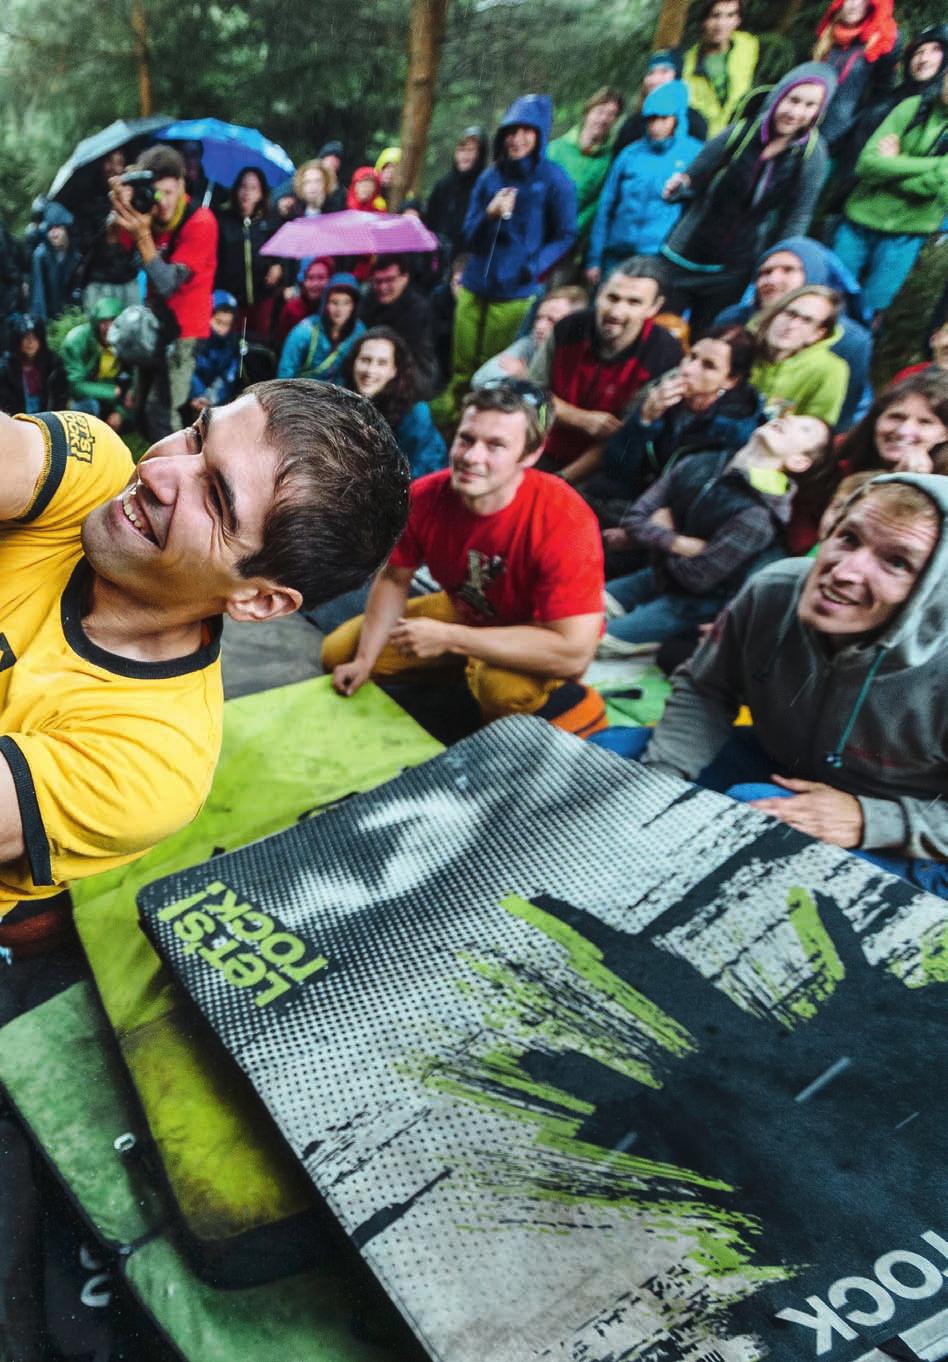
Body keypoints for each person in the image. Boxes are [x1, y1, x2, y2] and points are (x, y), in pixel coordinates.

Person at [0, 380, 410, 960]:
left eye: (216, 498)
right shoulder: (92, 475)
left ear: (259, 600)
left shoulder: (152, 761)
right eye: (196, 435)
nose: (160, 473)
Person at [596, 474, 948, 897]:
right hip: (783, 763)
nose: (845, 570)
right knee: (613, 761)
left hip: (914, 837)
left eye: (896, 563)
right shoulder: (774, 589)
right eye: (849, 538)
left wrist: (872, 819)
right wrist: (660, 783)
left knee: (755, 820)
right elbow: (708, 689)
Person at [322, 381, 607, 738]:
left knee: (499, 687)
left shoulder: (565, 519)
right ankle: (461, 664)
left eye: (496, 446)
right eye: (467, 439)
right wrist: (365, 660)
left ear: (530, 455)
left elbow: (574, 651)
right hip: (470, 610)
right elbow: (395, 579)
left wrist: (450, 638)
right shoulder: (426, 496)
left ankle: (574, 705)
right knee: (339, 654)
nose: (472, 457)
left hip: (536, 634)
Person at [598, 413, 831, 652]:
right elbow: (635, 519)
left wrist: (656, 534)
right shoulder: (702, 461)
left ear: (798, 462)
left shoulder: (760, 514)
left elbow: (697, 578)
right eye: (793, 416)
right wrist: (678, 543)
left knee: (598, 641)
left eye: (805, 429)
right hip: (655, 574)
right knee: (573, 608)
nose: (788, 418)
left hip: (691, 604)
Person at [660, 63, 837, 334]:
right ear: (778, 97)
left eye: (809, 105)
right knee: (659, 331)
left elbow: (797, 215)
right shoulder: (740, 134)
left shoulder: (812, 155)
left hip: (735, 267)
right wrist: (678, 187)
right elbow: (694, 179)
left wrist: (781, 263)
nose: (796, 112)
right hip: (684, 254)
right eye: (792, 100)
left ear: (819, 112)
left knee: (709, 338)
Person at [449, 94, 577, 415]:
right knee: (462, 359)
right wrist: (490, 213)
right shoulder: (490, 177)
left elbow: (566, 235)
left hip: (516, 292)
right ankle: (453, 417)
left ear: (539, 135)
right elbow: (467, 235)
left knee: (495, 366)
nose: (516, 139)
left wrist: (534, 266)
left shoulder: (554, 180)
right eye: (511, 131)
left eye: (526, 131)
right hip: (476, 283)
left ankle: (483, 415)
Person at [528, 256, 682, 482]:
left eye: (633, 302)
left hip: (603, 469)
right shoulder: (568, 328)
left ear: (654, 308)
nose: (616, 312)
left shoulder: (663, 355)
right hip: (539, 445)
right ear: (598, 294)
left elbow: (622, 436)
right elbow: (530, 396)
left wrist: (559, 481)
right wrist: (579, 418)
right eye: (612, 297)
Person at [109, 145, 218, 441]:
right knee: (142, 406)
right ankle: (154, 464)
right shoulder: (149, 213)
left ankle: (178, 474)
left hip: (184, 330)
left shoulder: (201, 221)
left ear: (182, 183)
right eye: (157, 193)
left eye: (170, 192)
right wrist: (122, 204)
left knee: (162, 409)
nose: (164, 203)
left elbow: (168, 282)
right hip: (155, 324)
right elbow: (116, 247)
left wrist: (142, 234)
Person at [715, 236, 872, 429]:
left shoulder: (851, 341)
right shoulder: (734, 319)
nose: (772, 279)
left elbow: (839, 419)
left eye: (788, 270)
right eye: (765, 272)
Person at [598, 325, 761, 504]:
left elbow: (697, 499)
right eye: (692, 356)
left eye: (708, 366)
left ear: (730, 380)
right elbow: (613, 467)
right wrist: (644, 420)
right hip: (627, 497)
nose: (688, 370)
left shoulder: (736, 429)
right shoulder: (662, 390)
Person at [833, 73, 948, 318]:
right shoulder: (913, 107)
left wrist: (896, 162)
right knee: (829, 296)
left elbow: (938, 188)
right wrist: (935, 165)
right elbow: (867, 164)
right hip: (859, 220)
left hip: (907, 235)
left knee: (870, 311)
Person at [586, 80, 704, 282]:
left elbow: (700, 207)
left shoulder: (694, 153)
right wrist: (594, 258)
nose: (656, 126)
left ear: (676, 119)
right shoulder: (630, 154)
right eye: (651, 119)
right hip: (618, 251)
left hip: (659, 255)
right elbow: (606, 205)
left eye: (663, 118)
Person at [827, 23, 948, 209]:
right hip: (845, 199)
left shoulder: (939, 119)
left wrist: (897, 161)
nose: (923, 58)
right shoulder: (891, 97)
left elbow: (937, 177)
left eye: (935, 50)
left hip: (891, 215)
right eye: (919, 52)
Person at [340, 327, 445, 479]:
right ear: (353, 363)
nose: (370, 370)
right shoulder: (339, 400)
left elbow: (423, 471)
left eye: (381, 363)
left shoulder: (415, 414)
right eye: (365, 360)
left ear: (394, 370)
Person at [749, 285, 850, 425]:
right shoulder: (743, 342)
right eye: (790, 314)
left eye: (807, 321)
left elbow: (814, 430)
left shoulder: (830, 370)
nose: (791, 325)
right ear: (775, 313)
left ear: (817, 334)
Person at [813, 0, 901, 158]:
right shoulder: (829, 29)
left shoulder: (884, 40)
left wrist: (859, 132)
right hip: (806, 124)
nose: (855, 4)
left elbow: (882, 93)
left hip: (840, 139)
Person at [546, 87, 624, 248]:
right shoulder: (556, 149)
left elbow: (596, 205)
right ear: (588, 112)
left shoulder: (608, 161)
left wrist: (569, 232)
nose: (604, 119)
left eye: (611, 114)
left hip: (570, 243)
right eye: (600, 111)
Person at [214, 166, 283, 342]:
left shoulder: (270, 220)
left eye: (253, 188)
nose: (247, 193)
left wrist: (278, 265)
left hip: (262, 298)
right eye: (243, 186)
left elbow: (282, 249)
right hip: (231, 299)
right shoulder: (223, 220)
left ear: (261, 193)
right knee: (231, 344)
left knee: (258, 344)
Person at [471, 285, 587, 388]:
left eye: (551, 320)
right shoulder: (531, 341)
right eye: (538, 318)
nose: (539, 326)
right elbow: (480, 380)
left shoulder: (583, 361)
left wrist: (527, 379)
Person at [836, 371, 948, 476]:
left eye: (925, 422)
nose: (903, 431)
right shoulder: (836, 459)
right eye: (896, 417)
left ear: (945, 434)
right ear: (876, 418)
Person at [359, 255, 439, 399]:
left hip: (412, 374)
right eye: (377, 281)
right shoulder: (367, 302)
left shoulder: (418, 309)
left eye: (389, 280)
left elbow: (413, 356)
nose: (383, 287)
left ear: (404, 278)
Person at [682, 0, 760, 138]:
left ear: (738, 20)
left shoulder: (748, 46)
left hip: (740, 134)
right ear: (704, 20)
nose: (721, 24)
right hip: (705, 140)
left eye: (730, 16)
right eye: (715, 16)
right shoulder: (687, 65)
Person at [612, 51, 709, 155]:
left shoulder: (695, 121)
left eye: (664, 71)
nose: (655, 79)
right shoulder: (632, 125)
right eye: (651, 73)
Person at [60, 295, 132, 429]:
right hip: (88, 396)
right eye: (104, 322)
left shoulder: (126, 341)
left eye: (113, 322)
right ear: (95, 323)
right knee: (85, 407)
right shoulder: (76, 341)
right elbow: (75, 386)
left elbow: (134, 379)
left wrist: (120, 412)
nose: (109, 328)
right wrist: (112, 391)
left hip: (115, 395)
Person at [277, 272, 364, 381]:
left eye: (346, 303)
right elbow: (286, 370)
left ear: (354, 306)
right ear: (326, 304)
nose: (339, 309)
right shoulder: (305, 330)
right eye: (334, 302)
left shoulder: (359, 332)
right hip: (303, 391)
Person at [424, 127, 490, 263]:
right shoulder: (443, 185)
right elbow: (430, 223)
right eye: (462, 150)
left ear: (480, 154)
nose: (465, 155)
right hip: (440, 258)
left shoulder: (487, 185)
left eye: (471, 150)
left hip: (471, 260)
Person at [0, 315, 69, 416]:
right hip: (16, 421)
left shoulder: (53, 364)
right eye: (26, 337)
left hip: (47, 419)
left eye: (35, 337)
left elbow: (61, 397)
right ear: (17, 340)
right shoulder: (6, 368)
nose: (30, 342)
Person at [30, 203, 81, 323]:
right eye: (50, 229)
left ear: (65, 229)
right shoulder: (41, 255)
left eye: (57, 227)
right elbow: (39, 294)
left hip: (73, 317)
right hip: (52, 320)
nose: (53, 233)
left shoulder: (75, 254)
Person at [189, 291, 240, 410]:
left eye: (227, 324)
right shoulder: (196, 340)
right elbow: (190, 369)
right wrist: (198, 394)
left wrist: (210, 398)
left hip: (215, 401)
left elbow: (228, 375)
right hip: (192, 396)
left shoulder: (232, 345)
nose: (222, 329)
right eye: (218, 322)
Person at [275, 256, 334, 346]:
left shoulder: (336, 308)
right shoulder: (292, 309)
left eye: (321, 278)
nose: (315, 284)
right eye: (310, 278)